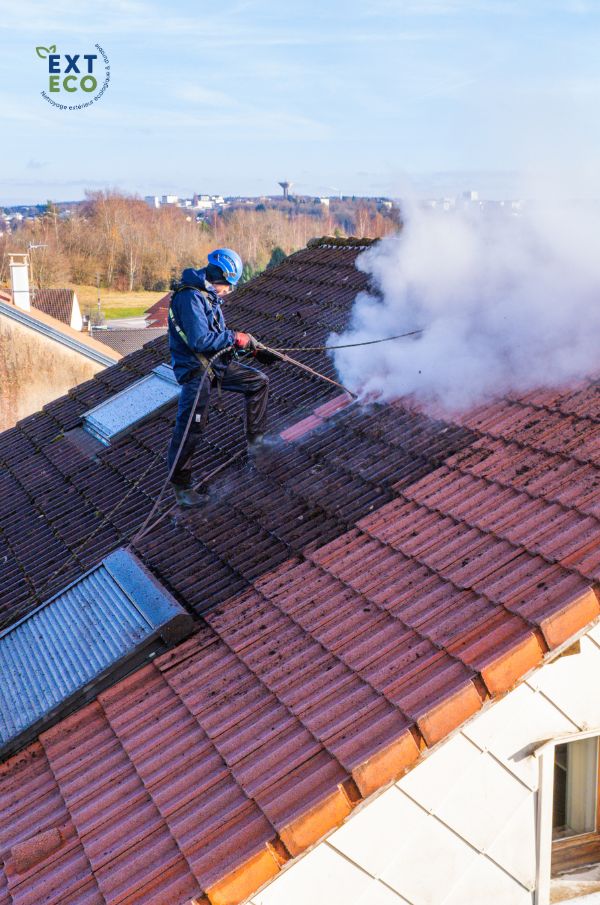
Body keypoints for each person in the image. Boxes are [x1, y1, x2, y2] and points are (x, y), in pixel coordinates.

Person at [166, 247, 276, 508]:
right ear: (220, 277)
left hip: (216, 366)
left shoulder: (208, 296)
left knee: (258, 381)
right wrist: (235, 337)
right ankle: (182, 490)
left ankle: (256, 445)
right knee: (192, 426)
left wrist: (248, 347)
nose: (229, 290)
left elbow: (218, 334)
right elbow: (201, 340)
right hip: (196, 371)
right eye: (229, 285)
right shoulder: (190, 298)